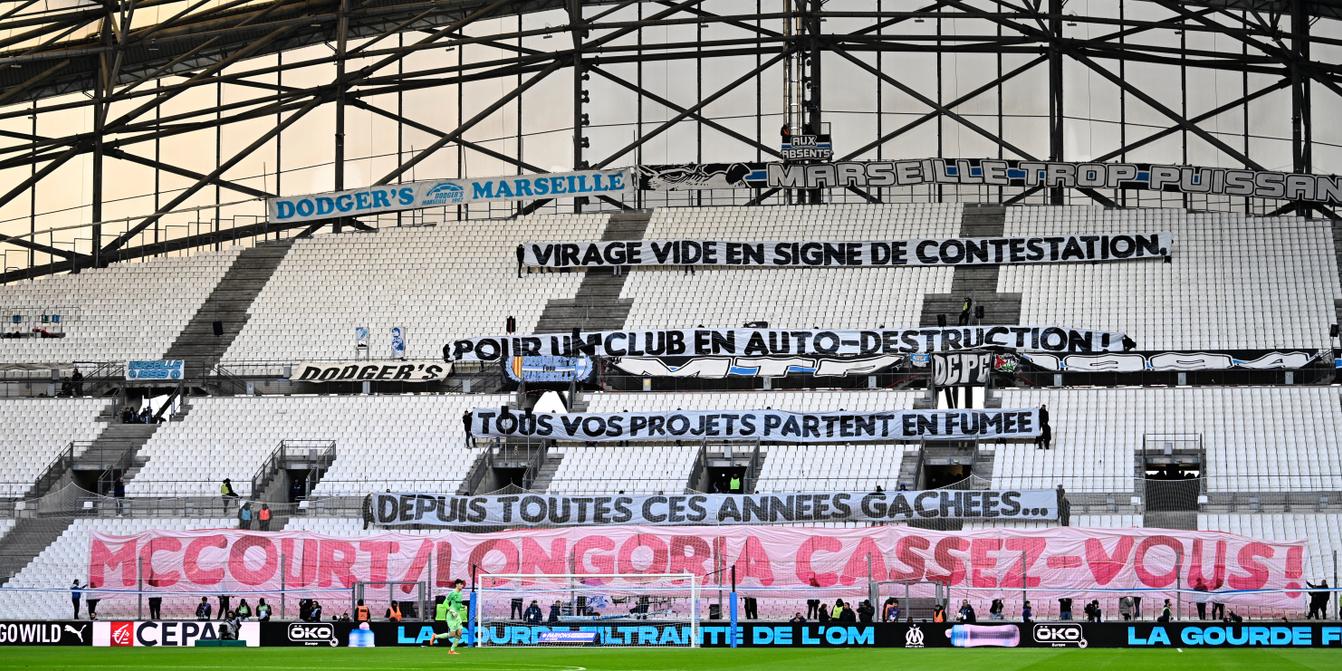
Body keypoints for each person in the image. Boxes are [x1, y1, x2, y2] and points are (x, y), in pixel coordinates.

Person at [427, 579, 467, 654]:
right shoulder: (452, 593)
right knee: (452, 634)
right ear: (457, 585)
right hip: (451, 616)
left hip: (457, 615)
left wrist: (462, 606)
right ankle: (435, 636)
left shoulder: (460, 593)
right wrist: (451, 610)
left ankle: (452, 650)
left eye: (462, 584)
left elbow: (457, 604)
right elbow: (445, 603)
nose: (462, 585)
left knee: (459, 632)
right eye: (461, 584)